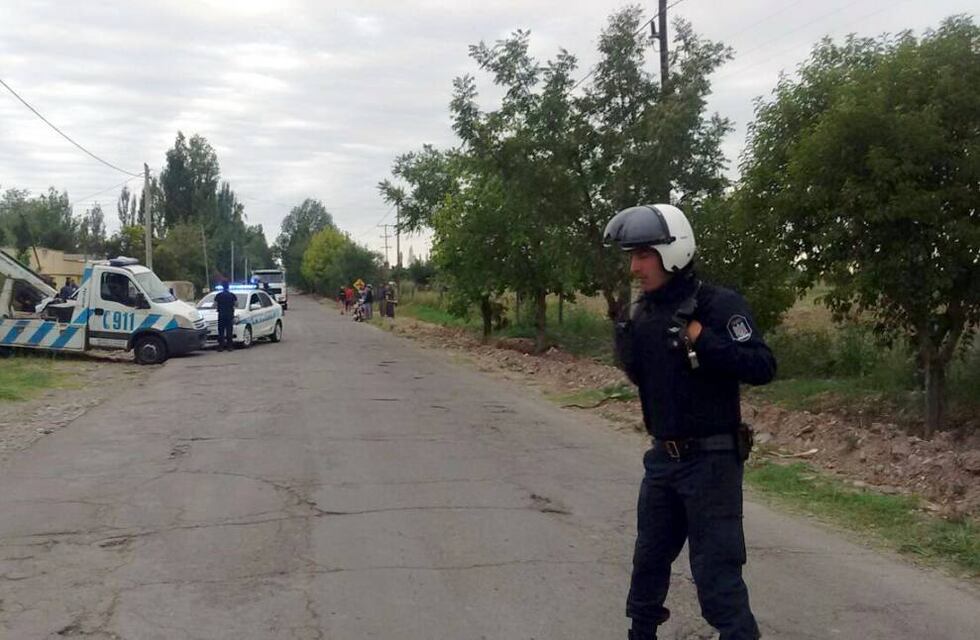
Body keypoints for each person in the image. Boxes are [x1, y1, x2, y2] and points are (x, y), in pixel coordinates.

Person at [604, 204, 776, 640]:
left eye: (643, 255)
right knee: (647, 566)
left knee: (716, 575)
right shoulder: (642, 315)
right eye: (632, 256)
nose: (634, 267)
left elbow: (762, 365)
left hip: (712, 463)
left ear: (672, 251)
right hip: (662, 460)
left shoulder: (718, 305)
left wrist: (704, 340)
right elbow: (646, 379)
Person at [214, 281, 238, 352]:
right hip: (230, 315)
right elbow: (236, 304)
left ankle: (221, 347)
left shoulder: (218, 295)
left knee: (221, 331)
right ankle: (229, 347)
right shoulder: (232, 295)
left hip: (221, 315)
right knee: (229, 331)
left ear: (222, 287)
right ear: (228, 287)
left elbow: (214, 304)